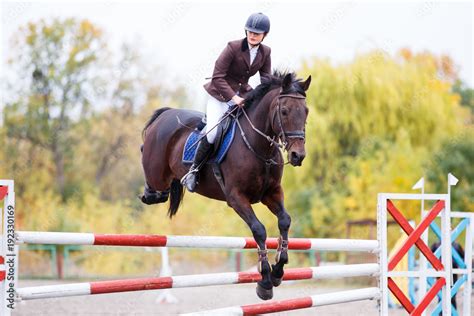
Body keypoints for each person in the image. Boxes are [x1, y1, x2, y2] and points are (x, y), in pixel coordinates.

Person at [181, 12, 272, 192]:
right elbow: (217, 77)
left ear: (265, 35)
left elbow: (266, 79)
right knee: (213, 133)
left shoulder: (265, 52)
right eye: (250, 32)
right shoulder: (233, 47)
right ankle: (194, 171)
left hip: (243, 95)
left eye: (257, 33)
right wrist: (233, 97)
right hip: (220, 96)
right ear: (246, 31)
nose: (253, 35)